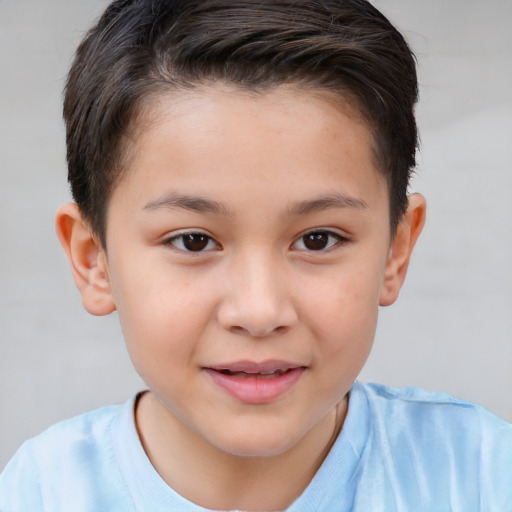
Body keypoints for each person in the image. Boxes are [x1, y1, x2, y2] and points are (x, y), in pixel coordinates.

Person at [1, 0, 511, 510]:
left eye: (318, 239)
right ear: (94, 261)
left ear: (395, 252)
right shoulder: (42, 492)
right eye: (193, 241)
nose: (259, 311)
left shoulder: (481, 474)